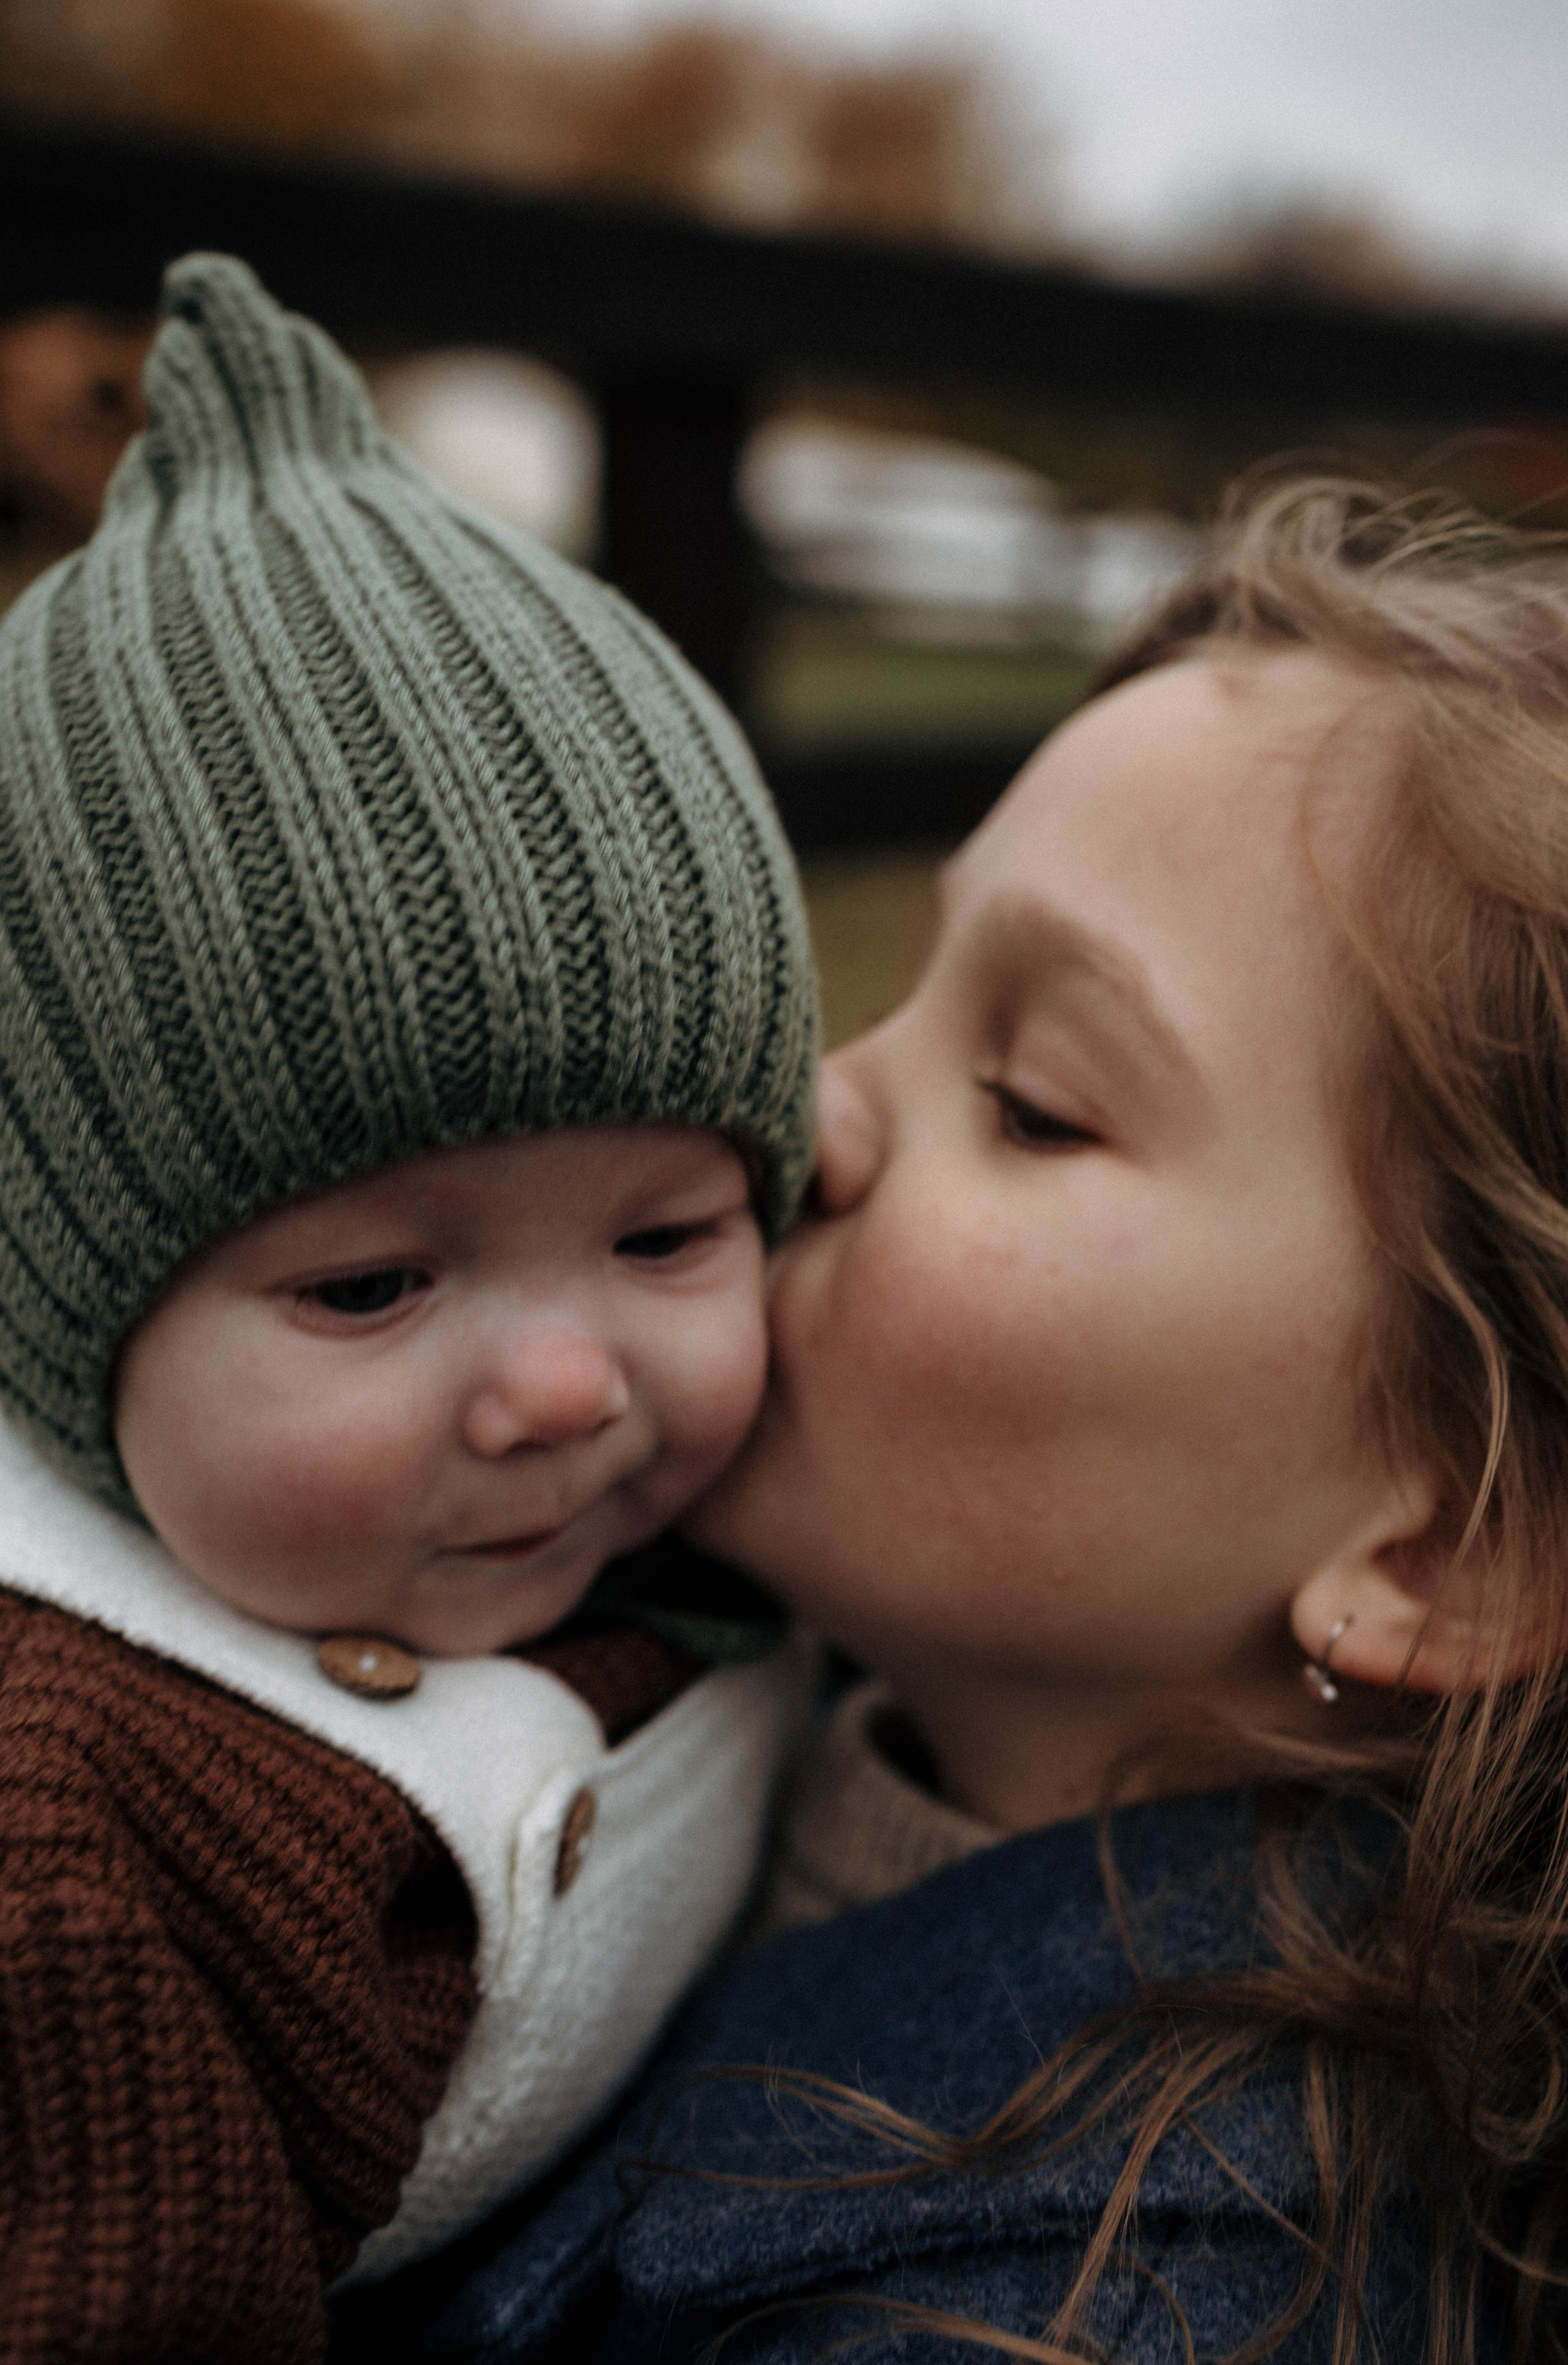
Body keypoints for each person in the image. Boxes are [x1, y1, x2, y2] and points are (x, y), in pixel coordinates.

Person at [366, 478, 1568, 2361]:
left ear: (1449, 1548)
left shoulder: (1079, 2310)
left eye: (1027, 1099)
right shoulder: (627, 1631)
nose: (819, 1104)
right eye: (904, 993)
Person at [0, 253, 820, 2363]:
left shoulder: (755, 1519)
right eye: (369, 1284)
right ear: (53, 1308)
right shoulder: (69, 1827)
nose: (564, 1386)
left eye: (668, 1238)